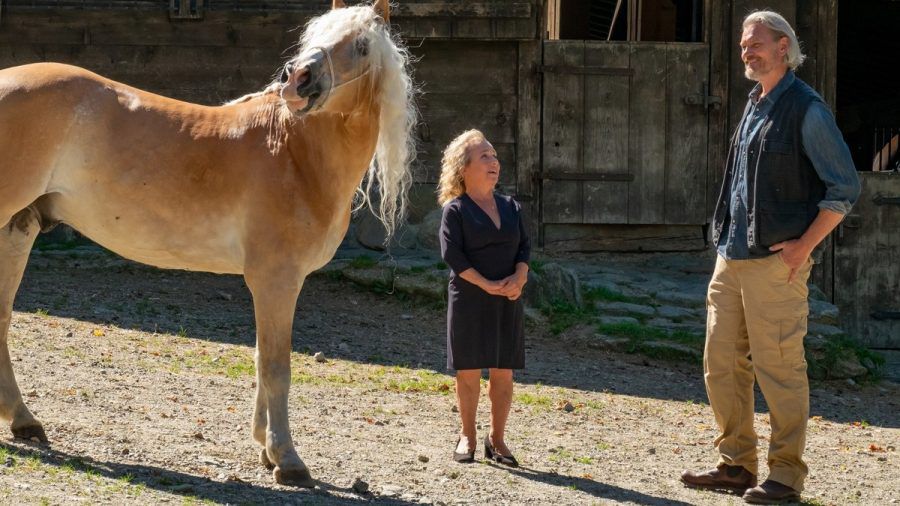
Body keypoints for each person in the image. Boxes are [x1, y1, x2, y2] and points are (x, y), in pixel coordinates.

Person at [680, 10, 861, 504]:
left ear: (784, 47)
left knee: (779, 369)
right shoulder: (755, 102)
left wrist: (804, 247)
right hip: (732, 256)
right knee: (721, 364)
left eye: (755, 43)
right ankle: (736, 464)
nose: (746, 52)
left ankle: (785, 475)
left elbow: (845, 187)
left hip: (774, 263)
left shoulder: (807, 109)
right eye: (742, 45)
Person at [437, 129, 530, 467]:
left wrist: (519, 278)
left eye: (495, 156)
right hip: (469, 298)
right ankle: (468, 436)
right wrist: (487, 284)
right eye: (485, 157)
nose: (495, 162)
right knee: (468, 372)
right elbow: (453, 256)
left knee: (504, 372)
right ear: (464, 168)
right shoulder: (456, 210)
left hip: (508, 297)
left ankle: (498, 440)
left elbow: (524, 248)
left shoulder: (511, 206)